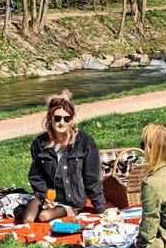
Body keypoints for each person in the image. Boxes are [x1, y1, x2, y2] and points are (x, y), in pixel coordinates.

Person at [20, 89, 106, 224]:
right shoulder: (40, 143)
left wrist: (101, 209)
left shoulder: (83, 141)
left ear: (72, 119)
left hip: (71, 199)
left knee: (44, 217)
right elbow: (36, 176)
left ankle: (66, 210)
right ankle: (20, 211)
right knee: (28, 219)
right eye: (57, 118)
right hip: (48, 195)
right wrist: (45, 197)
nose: (62, 122)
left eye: (67, 118)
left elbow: (92, 177)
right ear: (50, 118)